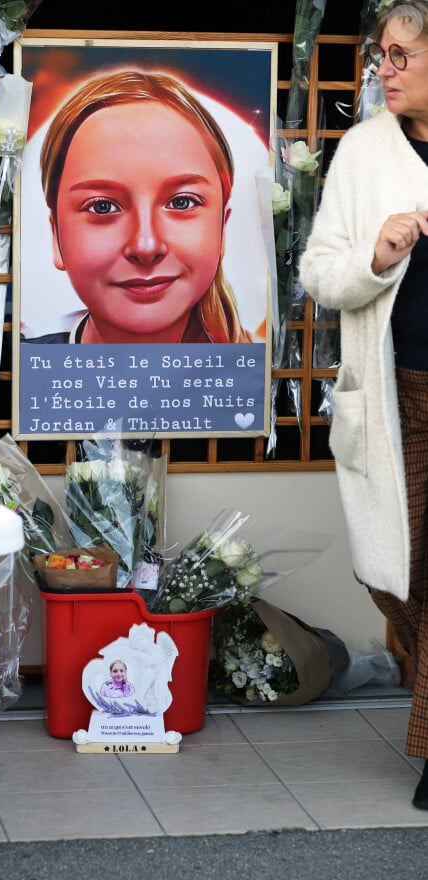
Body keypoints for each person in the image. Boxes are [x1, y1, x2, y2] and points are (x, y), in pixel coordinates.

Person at [299, 0, 428, 811]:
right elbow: (317, 270)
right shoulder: (362, 150)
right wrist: (377, 258)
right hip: (400, 395)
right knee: (397, 577)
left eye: (400, 56)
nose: (383, 68)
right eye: (382, 53)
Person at [26, 69, 254, 345]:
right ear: (56, 236)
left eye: (182, 202)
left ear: (222, 230)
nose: (145, 245)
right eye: (102, 207)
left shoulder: (259, 376)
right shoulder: (24, 369)